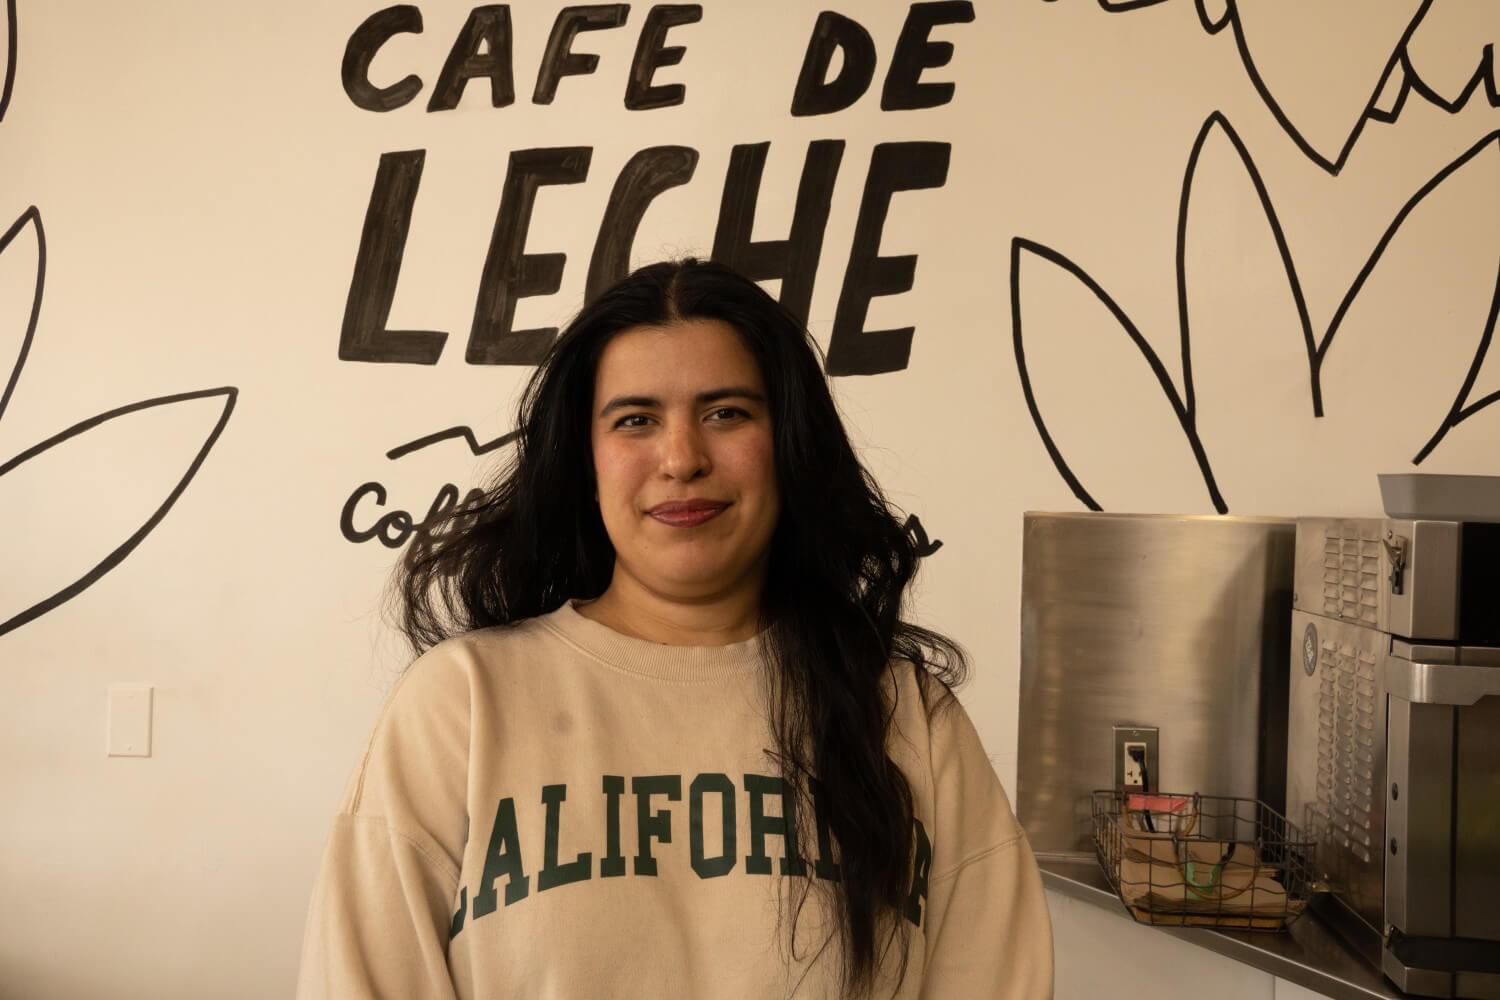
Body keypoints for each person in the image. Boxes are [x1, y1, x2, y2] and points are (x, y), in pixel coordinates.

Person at [296, 259, 1053, 999]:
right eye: (636, 420)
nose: (683, 458)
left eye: (727, 413)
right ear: (585, 461)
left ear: (790, 445)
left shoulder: (908, 715)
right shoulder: (462, 703)